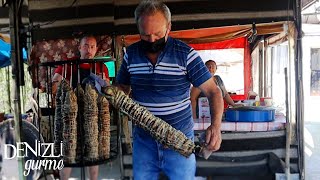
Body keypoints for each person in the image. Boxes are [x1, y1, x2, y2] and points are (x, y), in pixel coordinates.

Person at [116, 1, 224, 179]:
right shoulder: (131, 54)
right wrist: (107, 92)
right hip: (144, 141)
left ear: (169, 27)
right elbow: (122, 88)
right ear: (138, 29)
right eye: (145, 35)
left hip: (179, 141)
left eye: (157, 34)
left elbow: (214, 91)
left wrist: (216, 126)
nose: (151, 40)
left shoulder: (186, 55)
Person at [52, 35, 109, 180]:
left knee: (92, 149)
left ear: (96, 49)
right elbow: (55, 82)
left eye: (92, 47)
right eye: (85, 46)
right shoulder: (68, 64)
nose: (88, 50)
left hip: (93, 114)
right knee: (69, 150)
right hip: (71, 113)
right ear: (79, 48)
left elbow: (107, 87)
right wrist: (58, 84)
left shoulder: (101, 67)